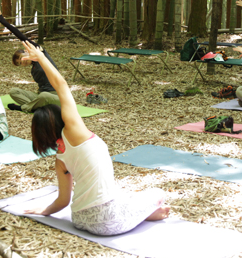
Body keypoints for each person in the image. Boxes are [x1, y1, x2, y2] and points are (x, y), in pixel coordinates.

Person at [20, 41, 170, 236]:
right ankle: (146, 214)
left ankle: (141, 213)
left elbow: (63, 201)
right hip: (108, 221)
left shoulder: (60, 160)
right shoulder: (73, 131)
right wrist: (41, 58)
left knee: (125, 196)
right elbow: (61, 85)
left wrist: (45, 211)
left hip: (80, 220)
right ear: (60, 119)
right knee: (157, 193)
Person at [0, 10, 60, 112]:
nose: (22, 62)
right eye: (20, 63)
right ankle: (36, 107)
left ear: (26, 51)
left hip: (56, 97)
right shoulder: (33, 70)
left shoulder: (40, 54)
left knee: (44, 96)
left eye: (21, 58)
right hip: (40, 96)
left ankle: (23, 108)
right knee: (13, 91)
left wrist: (2, 20)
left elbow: (20, 35)